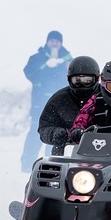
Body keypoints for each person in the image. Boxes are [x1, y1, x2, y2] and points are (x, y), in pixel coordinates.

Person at [21, 30, 73, 170]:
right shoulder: (37, 58)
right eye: (52, 41)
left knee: (57, 135)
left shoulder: (68, 60)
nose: (54, 43)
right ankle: (26, 165)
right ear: (47, 42)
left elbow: (74, 81)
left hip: (62, 105)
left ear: (61, 43)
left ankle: (52, 165)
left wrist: (64, 65)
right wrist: (45, 65)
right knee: (35, 133)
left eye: (57, 41)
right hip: (39, 103)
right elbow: (29, 73)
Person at [38, 55, 99, 153]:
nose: (82, 85)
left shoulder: (104, 97)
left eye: (87, 81)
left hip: (102, 150)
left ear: (97, 78)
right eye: (77, 81)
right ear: (68, 79)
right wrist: (55, 133)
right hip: (65, 152)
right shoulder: (58, 100)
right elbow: (44, 127)